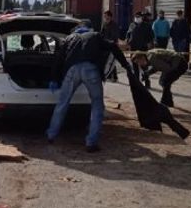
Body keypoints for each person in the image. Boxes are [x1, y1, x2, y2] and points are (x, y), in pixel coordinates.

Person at [46, 23, 131, 153]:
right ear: (88, 29)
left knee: (63, 103)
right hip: (91, 70)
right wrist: (125, 65)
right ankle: (91, 142)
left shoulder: (69, 38)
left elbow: (58, 59)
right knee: (97, 105)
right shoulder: (95, 35)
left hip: (72, 70)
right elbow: (113, 46)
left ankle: (51, 135)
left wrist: (54, 78)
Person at [126, 12, 154, 88]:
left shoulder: (147, 26)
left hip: (142, 48)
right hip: (133, 48)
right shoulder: (132, 25)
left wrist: (149, 44)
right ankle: (137, 82)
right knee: (134, 66)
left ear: (142, 18)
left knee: (144, 66)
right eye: (136, 16)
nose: (137, 18)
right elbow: (128, 34)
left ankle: (147, 82)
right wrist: (127, 42)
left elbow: (151, 36)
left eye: (139, 17)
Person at [100, 10, 120, 82]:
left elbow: (115, 36)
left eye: (106, 16)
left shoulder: (114, 25)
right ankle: (110, 76)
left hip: (112, 45)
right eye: (104, 16)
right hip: (105, 45)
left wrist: (112, 42)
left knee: (111, 60)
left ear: (110, 17)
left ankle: (114, 77)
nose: (105, 18)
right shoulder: (104, 24)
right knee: (107, 60)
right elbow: (101, 33)